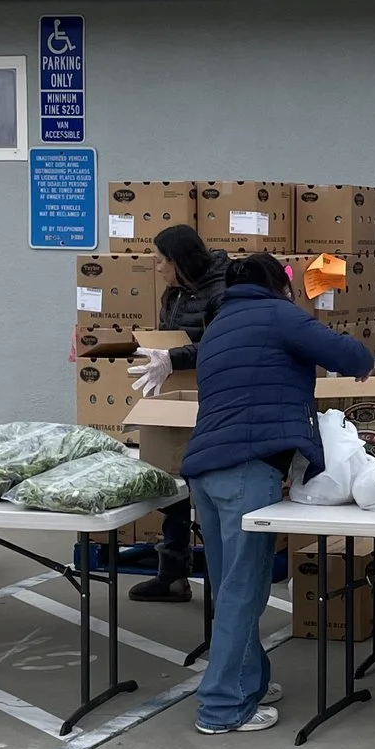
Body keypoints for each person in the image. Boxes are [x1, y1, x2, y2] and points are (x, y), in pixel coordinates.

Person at [181, 253, 375, 734]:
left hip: (205, 471)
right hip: (247, 470)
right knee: (243, 592)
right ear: (276, 285)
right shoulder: (276, 313)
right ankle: (222, 707)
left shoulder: (219, 325)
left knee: (229, 588)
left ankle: (248, 680)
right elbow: (351, 357)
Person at [126, 225, 232, 605]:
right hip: (176, 394)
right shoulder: (177, 291)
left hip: (214, 397)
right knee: (171, 478)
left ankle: (224, 582)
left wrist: (174, 358)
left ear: (178, 261)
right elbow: (170, 337)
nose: (155, 267)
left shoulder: (223, 289)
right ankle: (172, 574)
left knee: (209, 482)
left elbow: (224, 341)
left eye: (160, 260)